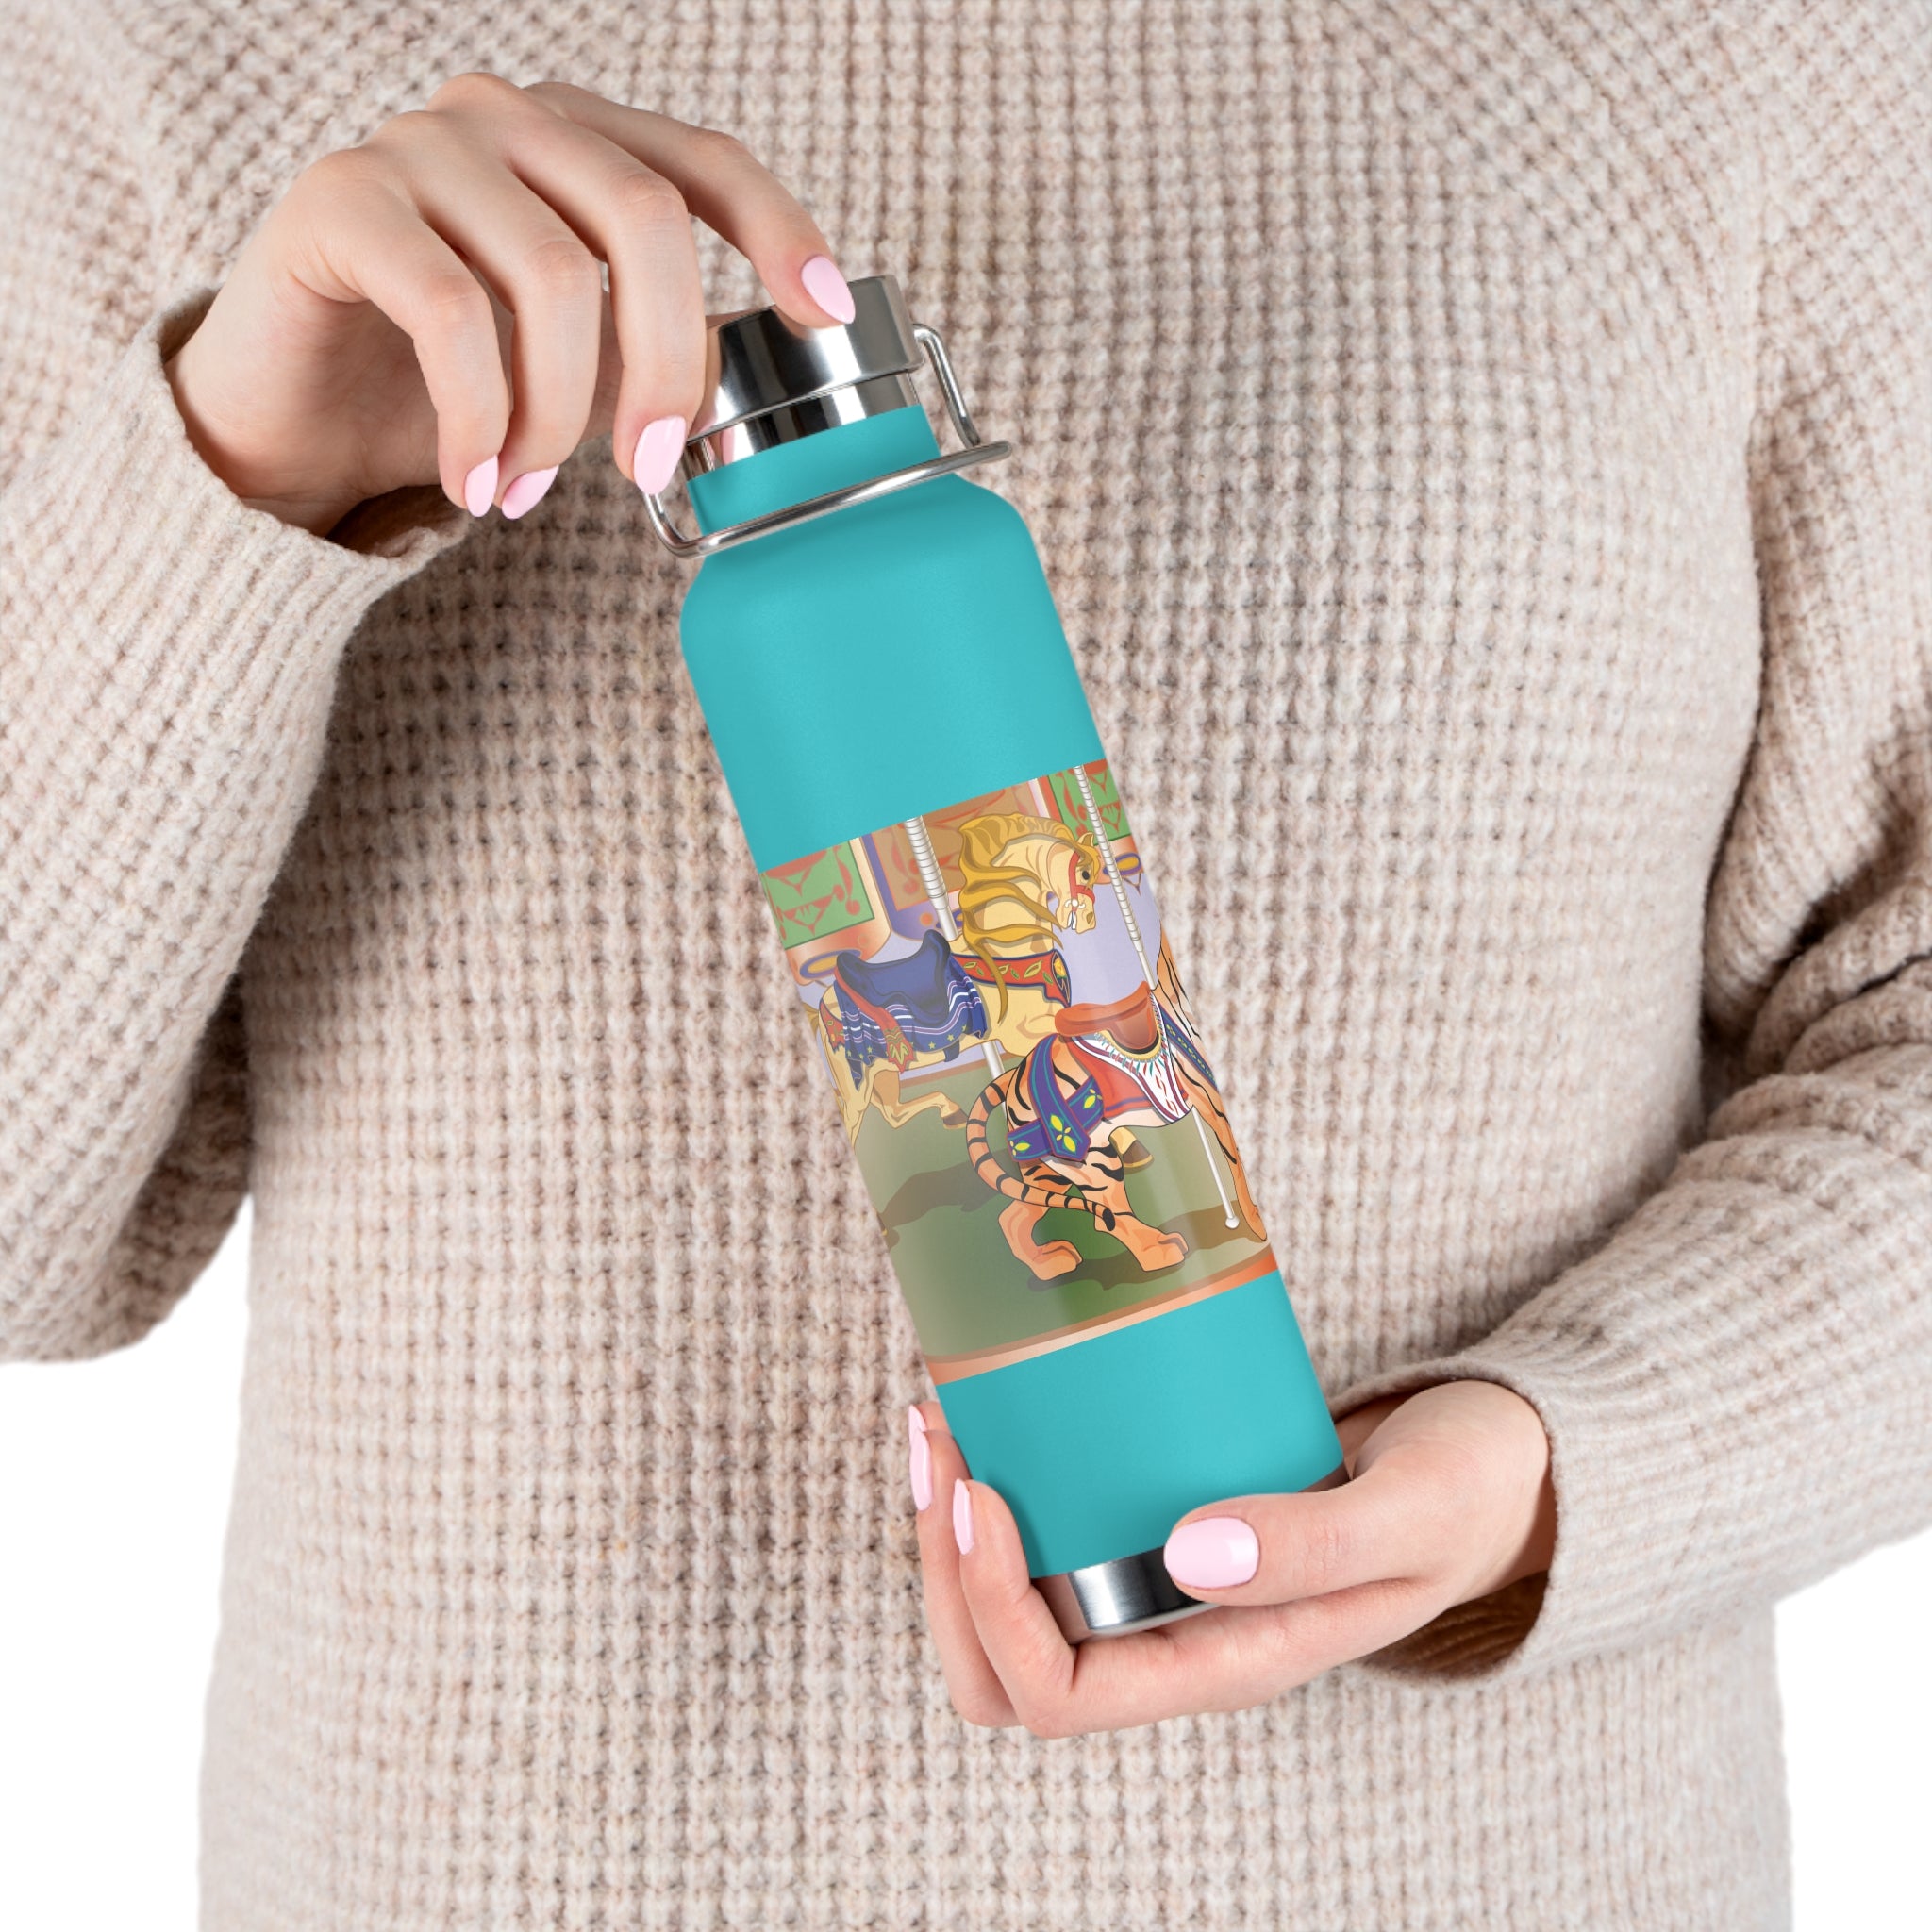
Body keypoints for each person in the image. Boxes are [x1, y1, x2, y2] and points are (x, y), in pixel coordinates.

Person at [1, 4, 1926, 1926]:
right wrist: (222, 486)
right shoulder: (152, 57)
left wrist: (1569, 1456)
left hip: (1497, 1869)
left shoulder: (1748, 55)